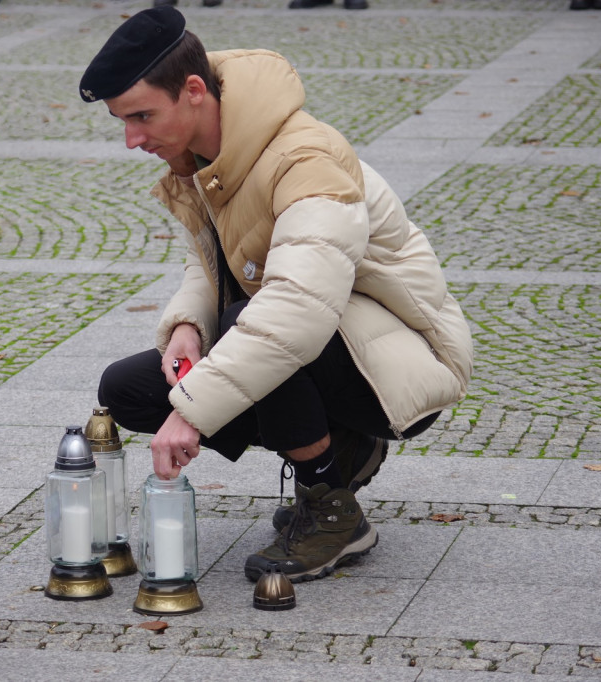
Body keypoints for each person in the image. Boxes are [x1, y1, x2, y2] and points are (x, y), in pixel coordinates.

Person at [80, 7, 473, 584]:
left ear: (194, 91)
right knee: (129, 390)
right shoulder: (208, 153)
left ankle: (331, 510)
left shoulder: (306, 160)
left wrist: (192, 411)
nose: (131, 139)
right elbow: (214, 258)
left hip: (403, 364)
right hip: (325, 340)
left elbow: (294, 314)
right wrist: (188, 325)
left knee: (251, 325)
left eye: (142, 116)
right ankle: (341, 444)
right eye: (122, 121)